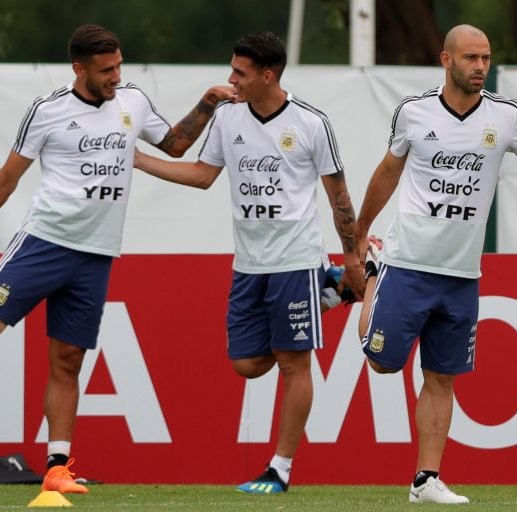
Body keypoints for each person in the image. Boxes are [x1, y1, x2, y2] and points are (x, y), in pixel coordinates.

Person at [0, 24, 235, 495]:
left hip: (97, 252)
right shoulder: (48, 111)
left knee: (68, 358)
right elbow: (5, 179)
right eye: (105, 70)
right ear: (79, 68)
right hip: (45, 240)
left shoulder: (132, 101)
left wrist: (208, 102)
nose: (115, 76)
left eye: (119, 66)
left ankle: (57, 467)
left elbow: (175, 145)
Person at [354, 24, 517, 504]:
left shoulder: (505, 115)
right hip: (408, 262)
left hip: (462, 273)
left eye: (486, 58)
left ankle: (425, 480)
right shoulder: (414, 113)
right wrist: (360, 231)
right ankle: (374, 275)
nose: (480, 67)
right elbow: (387, 172)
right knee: (380, 363)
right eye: (471, 58)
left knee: (442, 376)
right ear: (446, 60)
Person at [134, 31, 364, 494]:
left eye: (239, 72)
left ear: (267, 74)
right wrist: (136, 160)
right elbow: (201, 175)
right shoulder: (228, 117)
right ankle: (331, 295)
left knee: (293, 363)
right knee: (245, 363)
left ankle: (279, 468)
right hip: (249, 262)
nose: (230, 79)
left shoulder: (311, 122)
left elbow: (338, 197)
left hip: (296, 257)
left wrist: (353, 255)